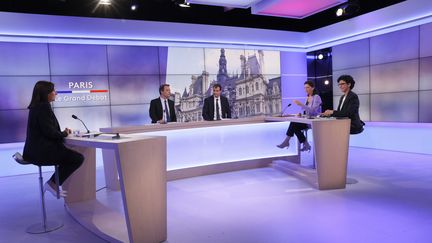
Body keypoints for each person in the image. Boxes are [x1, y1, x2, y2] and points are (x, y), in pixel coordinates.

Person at [23, 81, 84, 198]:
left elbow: (46, 129)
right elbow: (49, 132)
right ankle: (52, 183)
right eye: (53, 91)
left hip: (33, 152)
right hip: (42, 152)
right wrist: (64, 133)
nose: (56, 93)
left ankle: (52, 183)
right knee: (77, 158)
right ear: (46, 94)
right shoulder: (43, 107)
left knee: (70, 156)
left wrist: (61, 134)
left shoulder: (36, 107)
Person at [277, 81, 322, 152]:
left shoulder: (316, 97)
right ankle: (305, 144)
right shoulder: (307, 97)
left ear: (312, 88)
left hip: (314, 121)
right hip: (307, 120)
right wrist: (301, 114)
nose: (306, 89)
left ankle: (289, 142)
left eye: (308, 87)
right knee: (294, 124)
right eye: (305, 88)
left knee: (294, 124)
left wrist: (301, 104)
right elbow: (306, 110)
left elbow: (313, 111)